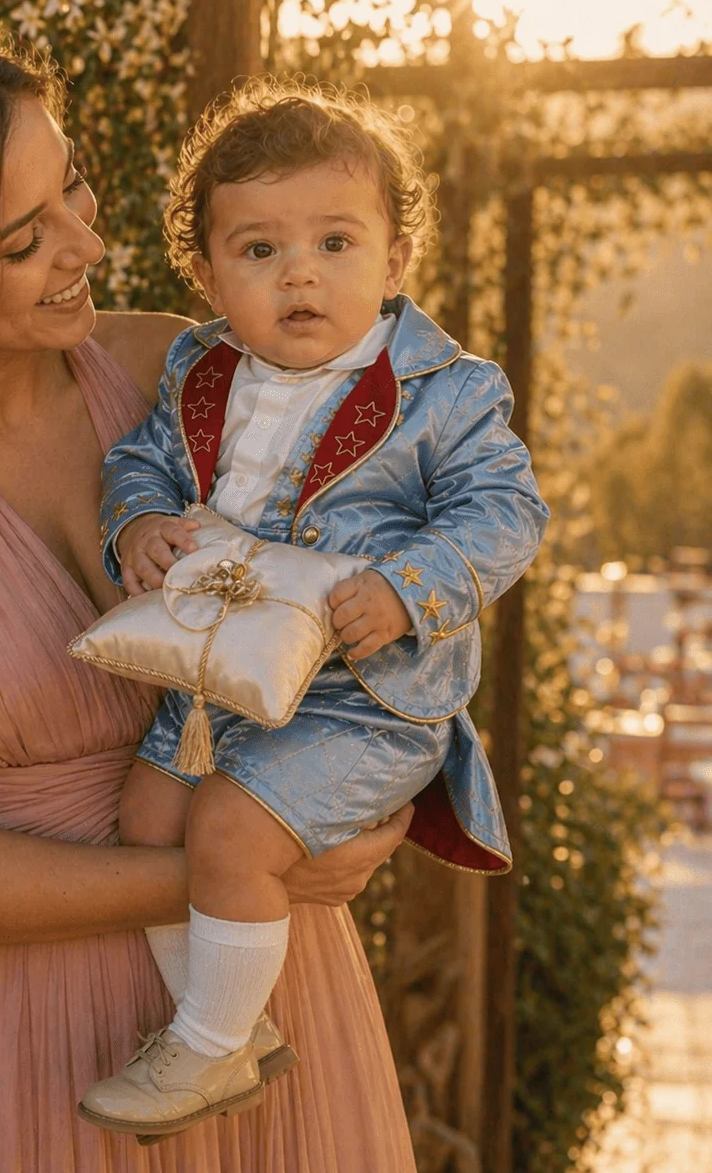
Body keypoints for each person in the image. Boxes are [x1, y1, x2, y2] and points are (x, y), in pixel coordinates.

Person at [0, 14, 420, 1172]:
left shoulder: (186, 373)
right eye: (21, 240)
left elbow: (384, 558)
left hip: (274, 997)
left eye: (75, 190)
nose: (85, 246)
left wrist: (387, 781)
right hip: (14, 1045)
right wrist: (240, 868)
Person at [78, 80, 549, 1141]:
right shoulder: (202, 371)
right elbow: (138, 461)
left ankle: (200, 1047)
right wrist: (139, 523)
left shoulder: (444, 391)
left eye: (337, 241)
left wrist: (405, 587)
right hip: (218, 673)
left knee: (233, 826)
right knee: (147, 825)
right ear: (204, 273)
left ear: (395, 257)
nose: (299, 271)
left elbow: (508, 509)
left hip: (359, 699)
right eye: (257, 251)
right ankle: (225, 1022)